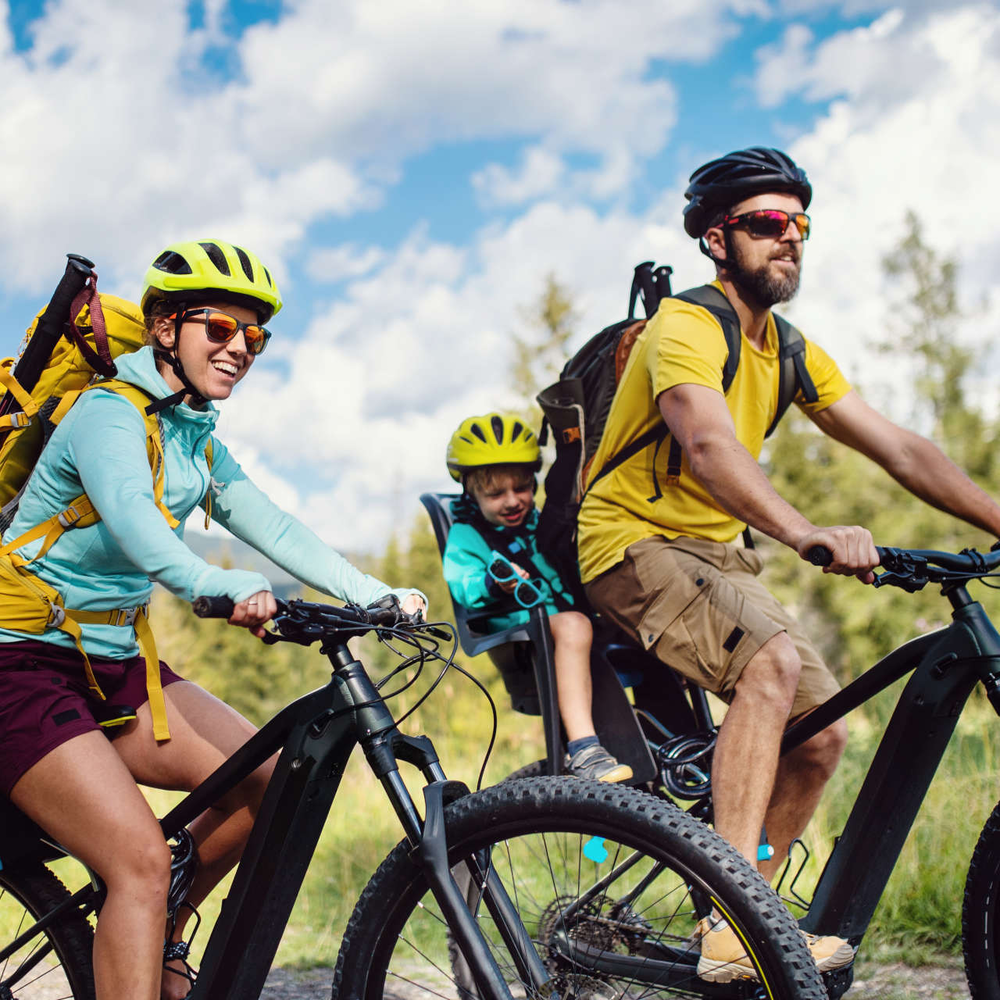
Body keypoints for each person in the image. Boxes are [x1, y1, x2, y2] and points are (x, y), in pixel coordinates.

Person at [576, 146, 1000, 982]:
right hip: (631, 541)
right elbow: (705, 444)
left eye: (799, 225)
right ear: (715, 238)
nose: (790, 240)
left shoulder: (791, 349)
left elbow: (902, 449)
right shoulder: (687, 327)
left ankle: (740, 924)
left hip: (718, 556)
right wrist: (804, 529)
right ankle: (737, 926)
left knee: (820, 737)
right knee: (769, 666)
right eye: (769, 224)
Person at [0, 239, 425, 1000]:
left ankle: (155, 927)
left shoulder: (193, 434)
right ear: (164, 328)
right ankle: (142, 910)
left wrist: (375, 593)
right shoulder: (108, 415)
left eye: (253, 336)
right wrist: (218, 585)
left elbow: (274, 524)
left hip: (113, 665)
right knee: (137, 860)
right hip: (18, 664)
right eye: (219, 329)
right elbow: (137, 525)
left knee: (272, 782)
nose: (240, 348)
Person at [443, 411, 632, 782]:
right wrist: (494, 583)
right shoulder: (466, 536)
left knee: (630, 608)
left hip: (564, 627)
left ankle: (672, 737)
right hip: (523, 638)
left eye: (522, 488)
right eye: (496, 493)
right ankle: (584, 749)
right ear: (471, 492)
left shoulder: (540, 524)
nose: (513, 501)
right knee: (575, 624)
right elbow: (463, 584)